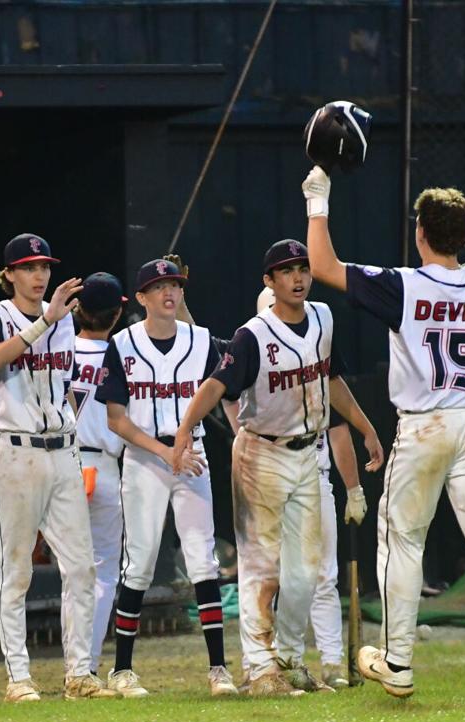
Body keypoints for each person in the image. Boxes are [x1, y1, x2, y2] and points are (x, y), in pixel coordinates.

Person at [300, 170, 465, 697]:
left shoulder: (405, 284)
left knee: (402, 539)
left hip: (425, 424)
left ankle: (397, 662)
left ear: (422, 232)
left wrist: (318, 200)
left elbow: (322, 266)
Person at [172, 240, 384, 696]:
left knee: (307, 572)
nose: (298, 277)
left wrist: (365, 426)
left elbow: (332, 381)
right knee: (260, 567)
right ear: (269, 281)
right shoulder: (254, 335)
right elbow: (216, 385)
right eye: (286, 270)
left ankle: (289, 659)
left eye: (303, 268)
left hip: (308, 455)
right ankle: (259, 667)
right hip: (261, 454)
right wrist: (185, 428)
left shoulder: (324, 318)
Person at [0, 233, 114, 702]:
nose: (40, 276)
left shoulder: (64, 323)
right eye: (30, 267)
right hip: (17, 454)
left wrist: (70, 426)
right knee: (16, 572)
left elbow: (69, 386)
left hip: (62, 454)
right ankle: (18, 678)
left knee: (81, 569)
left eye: (45, 267)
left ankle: (79, 674)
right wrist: (44, 322)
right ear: (9, 273)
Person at [95, 258, 235, 698]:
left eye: (174, 285)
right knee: (139, 561)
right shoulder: (122, 344)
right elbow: (116, 419)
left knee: (203, 558)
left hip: (191, 453)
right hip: (145, 458)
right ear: (141, 298)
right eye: (158, 287)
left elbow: (227, 387)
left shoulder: (200, 340)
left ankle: (218, 669)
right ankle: (122, 671)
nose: (169, 292)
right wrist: (163, 450)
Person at [253, 283, 376, 692]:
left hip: (314, 477)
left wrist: (353, 489)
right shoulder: (255, 352)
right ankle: (267, 664)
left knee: (322, 576)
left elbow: (339, 432)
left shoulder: (315, 363)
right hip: (268, 476)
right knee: (270, 575)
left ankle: (331, 661)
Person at [68, 273, 126, 677]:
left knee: (73, 571)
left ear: (77, 309)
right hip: (104, 466)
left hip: (64, 463)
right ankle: (85, 665)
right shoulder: (124, 353)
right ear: (118, 313)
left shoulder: (59, 350)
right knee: (104, 570)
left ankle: (74, 665)